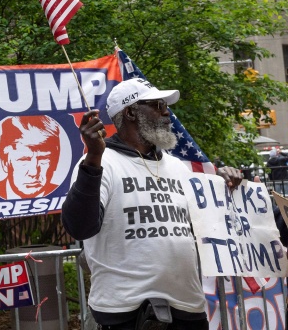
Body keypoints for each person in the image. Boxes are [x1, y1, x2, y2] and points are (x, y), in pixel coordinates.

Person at [61, 78, 242, 330]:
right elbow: (80, 227)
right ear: (131, 112)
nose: (166, 112)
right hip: (126, 313)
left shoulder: (178, 167)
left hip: (187, 308)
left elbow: (209, 226)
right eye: (157, 104)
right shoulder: (102, 163)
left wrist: (225, 188)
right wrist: (93, 157)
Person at [0, 115, 62, 199]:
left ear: (55, 162)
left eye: (43, 159)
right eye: (24, 159)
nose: (34, 173)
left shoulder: (70, 194)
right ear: (5, 162)